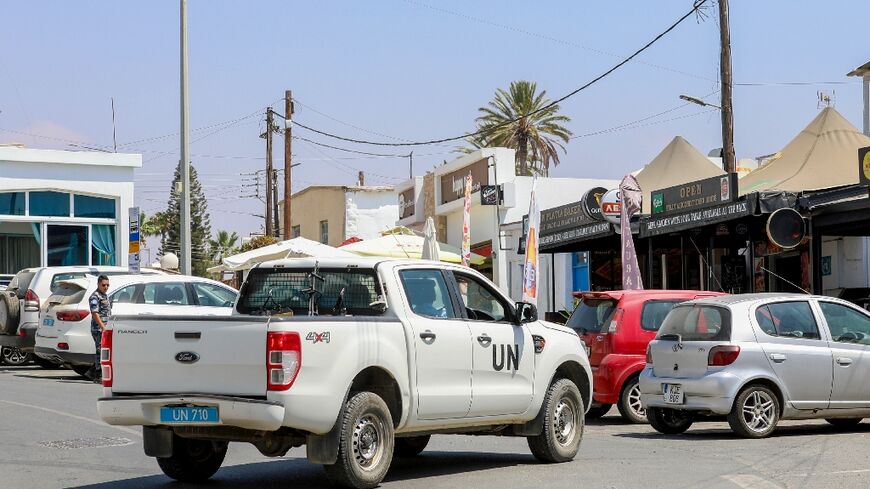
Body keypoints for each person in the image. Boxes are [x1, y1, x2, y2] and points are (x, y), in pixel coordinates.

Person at [88, 275, 112, 383]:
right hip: (98, 329)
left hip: (105, 327)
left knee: (103, 350)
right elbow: (94, 313)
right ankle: (97, 375)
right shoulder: (95, 296)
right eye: (103, 285)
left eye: (107, 285)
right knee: (100, 351)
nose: (106, 287)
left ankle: (90, 372)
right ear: (98, 284)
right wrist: (102, 327)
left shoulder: (104, 295)